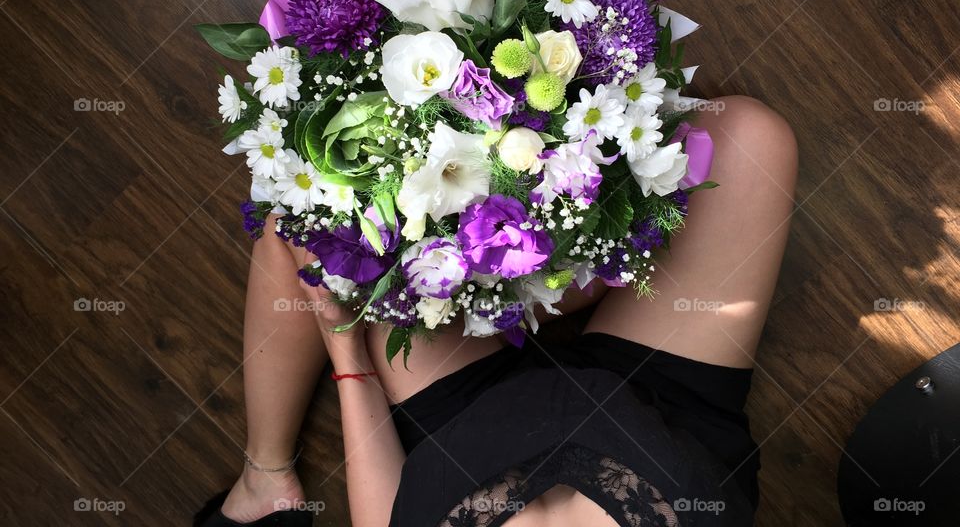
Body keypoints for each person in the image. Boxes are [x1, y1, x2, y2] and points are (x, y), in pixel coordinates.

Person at [195, 95, 798, 526]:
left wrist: (347, 355)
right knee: (747, 138)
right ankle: (547, 281)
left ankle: (264, 476)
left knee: (315, 227)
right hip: (660, 406)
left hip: (468, 431)